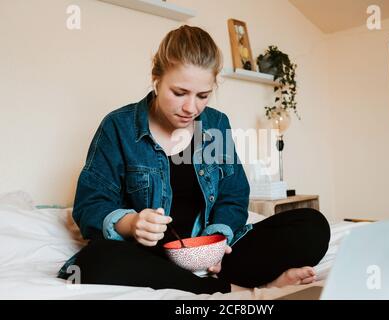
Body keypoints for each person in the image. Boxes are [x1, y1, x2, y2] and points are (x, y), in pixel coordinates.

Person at [58, 25, 330, 294]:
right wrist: (131, 224)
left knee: (312, 226)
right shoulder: (119, 126)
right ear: (156, 79)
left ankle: (210, 281)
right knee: (93, 262)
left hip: (214, 257)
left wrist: (217, 240)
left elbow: (233, 195)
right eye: (179, 93)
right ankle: (231, 290)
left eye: (203, 96)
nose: (191, 108)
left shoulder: (216, 124)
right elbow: (89, 204)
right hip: (150, 258)